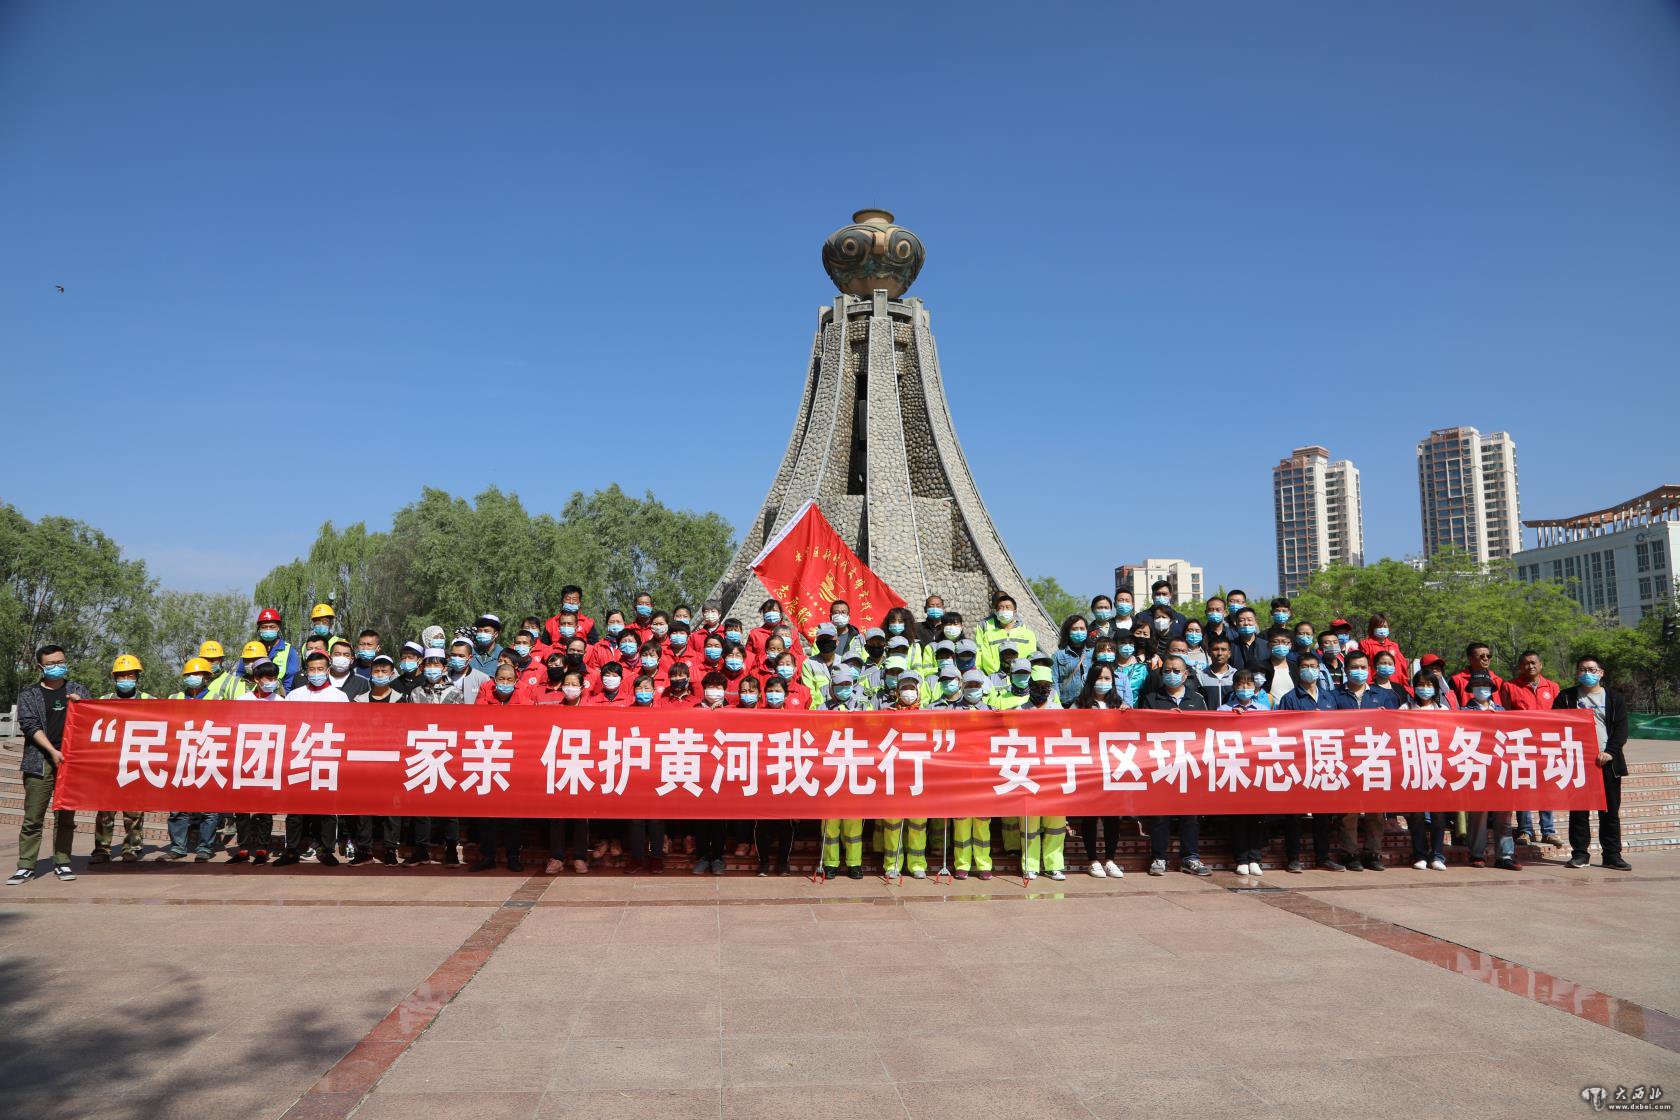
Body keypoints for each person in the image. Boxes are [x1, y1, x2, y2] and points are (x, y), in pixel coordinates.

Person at [9, 645, 90, 885]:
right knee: (34, 817)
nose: (58, 667)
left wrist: (80, 705)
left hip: (70, 762)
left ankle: (62, 861)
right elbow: (30, 725)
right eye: (52, 664)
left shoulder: (77, 690)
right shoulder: (30, 695)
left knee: (65, 816)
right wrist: (53, 751)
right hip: (40, 761)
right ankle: (26, 865)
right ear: (40, 667)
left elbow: (93, 719)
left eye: (61, 662)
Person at [1139, 655, 1211, 877]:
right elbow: (1142, 729)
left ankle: (1190, 857)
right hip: (1162, 764)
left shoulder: (1197, 699)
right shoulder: (1152, 699)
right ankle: (1159, 857)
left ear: (1186, 673)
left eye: (1176, 670)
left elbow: (1208, 729)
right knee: (1161, 815)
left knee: (1190, 814)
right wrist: (1164, 720)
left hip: (1190, 764)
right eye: (1167, 670)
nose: (1172, 674)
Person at [275, 649, 348, 866]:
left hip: (326, 756)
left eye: (320, 669)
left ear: (328, 670)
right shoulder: (295, 695)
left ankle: (326, 849)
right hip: (300, 757)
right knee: (296, 810)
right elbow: (285, 725)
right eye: (312, 669)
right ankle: (291, 850)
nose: (316, 673)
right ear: (306, 671)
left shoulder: (339, 696)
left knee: (326, 809)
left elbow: (344, 727)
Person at [1557, 656, 1631, 871]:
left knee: (1609, 811)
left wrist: (1609, 752)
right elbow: (1554, 724)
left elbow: (1621, 730)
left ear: (1601, 672)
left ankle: (1612, 855)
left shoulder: (1614, 698)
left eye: (1591, 669)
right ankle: (1580, 854)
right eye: (1582, 669)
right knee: (1579, 811)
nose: (1587, 673)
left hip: (1607, 762)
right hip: (1578, 763)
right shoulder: (1566, 697)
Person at [1275, 650, 1341, 871]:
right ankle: (1293, 857)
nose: (1309, 670)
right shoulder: (1289, 699)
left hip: (1324, 762)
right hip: (1299, 763)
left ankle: (1323, 856)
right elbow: (1283, 732)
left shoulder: (1329, 698)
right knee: (1294, 814)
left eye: (1313, 666)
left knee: (1323, 814)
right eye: (1305, 666)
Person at [90, 653, 153, 864]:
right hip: (109, 764)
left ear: (137, 677)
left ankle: (132, 847)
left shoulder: (150, 701)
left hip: (135, 762)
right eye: (121, 675)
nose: (126, 679)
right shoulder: (103, 702)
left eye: (130, 675)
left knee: (134, 812)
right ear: (115, 678)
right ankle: (102, 848)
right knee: (105, 811)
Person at [406, 648, 465, 867]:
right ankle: (421, 849)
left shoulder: (455, 693)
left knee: (450, 806)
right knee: (422, 805)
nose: (432, 669)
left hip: (448, 753)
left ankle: (451, 849)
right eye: (429, 665)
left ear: (444, 667)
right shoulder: (416, 693)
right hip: (423, 751)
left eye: (436, 665)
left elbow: (461, 724)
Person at [1502, 650, 1563, 846]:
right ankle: (1525, 830)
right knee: (1524, 788)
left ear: (1541, 665)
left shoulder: (1552, 687)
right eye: (1526, 663)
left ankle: (1548, 830)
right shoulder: (1510, 687)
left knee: (1546, 787)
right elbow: (1503, 715)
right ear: (1521, 666)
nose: (1530, 666)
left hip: (1547, 745)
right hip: (1521, 745)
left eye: (1534, 662)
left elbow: (1561, 716)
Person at [163, 658, 221, 861]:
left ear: (206, 677)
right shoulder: (174, 698)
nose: (193, 678)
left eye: (197, 675)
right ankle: (178, 846)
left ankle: (205, 847)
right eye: (189, 675)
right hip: (180, 757)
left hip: (208, 756)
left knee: (209, 808)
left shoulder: (217, 699)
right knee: (177, 807)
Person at [876, 673, 932, 880]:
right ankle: (892, 863)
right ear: (897, 691)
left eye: (912, 688)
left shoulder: (928, 714)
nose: (908, 692)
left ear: (918, 690)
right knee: (893, 823)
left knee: (918, 823)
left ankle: (917, 864)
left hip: (919, 774)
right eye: (904, 688)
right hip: (894, 775)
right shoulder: (886, 713)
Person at [1461, 673, 1519, 870]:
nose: (1481, 688)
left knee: (1504, 816)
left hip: (1500, 767)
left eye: (1485, 685)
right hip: (1477, 767)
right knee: (1479, 815)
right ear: (1471, 689)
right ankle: (1476, 854)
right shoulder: (1463, 711)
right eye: (1476, 685)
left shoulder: (1502, 710)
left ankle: (1505, 855)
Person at [1072, 664, 1126, 879]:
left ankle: (1110, 859)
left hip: (1113, 766)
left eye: (1107, 678)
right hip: (1090, 767)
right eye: (1099, 677)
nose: (1103, 682)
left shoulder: (1119, 704)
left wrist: (1127, 715)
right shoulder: (1080, 704)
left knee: (1113, 816)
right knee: (1090, 815)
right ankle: (1092, 859)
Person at [231, 659, 285, 863]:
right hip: (245, 758)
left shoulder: (281, 702)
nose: (271, 681)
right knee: (242, 808)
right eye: (267, 677)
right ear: (256, 678)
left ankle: (263, 846)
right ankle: (243, 846)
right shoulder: (243, 700)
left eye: (274, 677)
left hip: (269, 760)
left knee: (265, 808)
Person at [1220, 670, 1271, 875]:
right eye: (1241, 684)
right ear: (1234, 687)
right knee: (1238, 818)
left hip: (1257, 769)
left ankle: (1255, 857)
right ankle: (1241, 858)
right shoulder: (1223, 709)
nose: (1245, 688)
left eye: (1249, 684)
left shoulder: (1262, 709)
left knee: (1257, 816)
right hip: (1234, 768)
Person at [1406, 680, 1451, 871]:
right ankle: (1420, 854)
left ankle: (1438, 855)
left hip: (1437, 767)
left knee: (1438, 815)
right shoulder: (1405, 708)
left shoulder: (1443, 710)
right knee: (1416, 815)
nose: (1425, 689)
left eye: (1429, 685)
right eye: (1421, 684)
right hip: (1414, 767)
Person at [975, 591, 1037, 675]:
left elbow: (1031, 654)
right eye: (1001, 607)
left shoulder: (1025, 629)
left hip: (1022, 675)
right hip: (995, 676)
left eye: (1008, 607)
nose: (1004, 610)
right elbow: (981, 652)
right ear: (995, 609)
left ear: (1014, 611)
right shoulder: (985, 626)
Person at [250, 607, 299, 690]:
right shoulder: (252, 648)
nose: (268, 629)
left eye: (272, 626)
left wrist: (283, 697)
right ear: (259, 629)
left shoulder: (289, 650)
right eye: (264, 627)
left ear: (278, 628)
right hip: (254, 697)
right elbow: (241, 673)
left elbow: (291, 679)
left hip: (279, 697)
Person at [1195, 635, 1244, 710]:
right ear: (1209, 652)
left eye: (1223, 649)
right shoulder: (1200, 676)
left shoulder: (1237, 675)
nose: (1219, 653)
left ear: (1229, 653)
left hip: (1231, 720)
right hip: (1208, 720)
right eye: (1215, 649)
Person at [1051, 615, 1091, 707]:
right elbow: (1054, 681)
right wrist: (1056, 704)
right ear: (1068, 632)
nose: (1079, 632)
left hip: (1089, 704)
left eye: (1082, 628)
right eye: (1074, 629)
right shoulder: (1058, 655)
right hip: (1066, 704)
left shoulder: (1093, 653)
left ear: (1086, 630)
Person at [1358, 613, 1409, 683]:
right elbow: (1364, 666)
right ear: (1372, 628)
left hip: (1395, 685)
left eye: (1385, 626)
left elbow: (1402, 667)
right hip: (1375, 685)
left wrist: (1404, 685)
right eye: (1379, 627)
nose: (1382, 629)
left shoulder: (1394, 646)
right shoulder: (1366, 645)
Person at [1451, 642, 1504, 706]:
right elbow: (1452, 707)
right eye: (1482, 656)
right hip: (1468, 715)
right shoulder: (1457, 680)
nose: (1486, 658)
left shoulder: (1498, 680)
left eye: (1488, 656)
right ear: (1470, 658)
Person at [1262, 629, 1295, 703]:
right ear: (1269, 645)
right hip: (1271, 712)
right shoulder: (1261, 667)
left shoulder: (1295, 668)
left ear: (1290, 645)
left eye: (1284, 642)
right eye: (1276, 642)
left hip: (1293, 711)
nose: (1280, 645)